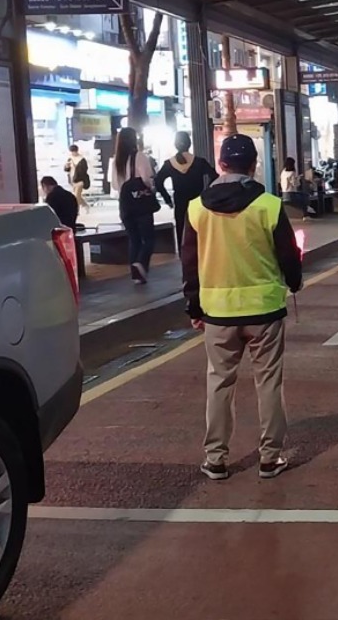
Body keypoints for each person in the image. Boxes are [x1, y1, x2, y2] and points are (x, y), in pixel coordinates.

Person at [181, 134, 303, 482]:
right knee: (268, 383)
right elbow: (288, 255)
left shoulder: (196, 208)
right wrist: (293, 283)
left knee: (219, 384)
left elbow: (188, 263)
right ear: (253, 166)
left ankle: (216, 459)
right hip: (264, 311)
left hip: (217, 312)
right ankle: (270, 458)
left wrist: (193, 307)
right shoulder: (269, 205)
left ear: (221, 165)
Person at [154, 131, 218, 253]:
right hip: (198, 202)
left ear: (175, 145)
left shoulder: (169, 164)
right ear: (189, 144)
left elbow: (158, 181)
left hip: (180, 202)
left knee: (181, 230)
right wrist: (206, 192)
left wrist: (168, 199)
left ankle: (184, 257)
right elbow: (214, 176)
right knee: (199, 230)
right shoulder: (200, 162)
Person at [109, 126, 157, 285]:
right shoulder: (140, 156)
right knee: (148, 239)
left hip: (125, 206)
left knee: (134, 239)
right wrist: (151, 187)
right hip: (141, 204)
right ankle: (141, 264)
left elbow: (115, 185)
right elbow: (147, 179)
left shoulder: (115, 160)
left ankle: (135, 275)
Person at [64, 144, 91, 213]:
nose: (73, 153)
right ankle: (85, 205)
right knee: (78, 196)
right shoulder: (70, 158)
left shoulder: (82, 159)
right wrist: (67, 166)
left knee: (76, 196)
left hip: (80, 180)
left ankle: (76, 211)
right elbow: (66, 169)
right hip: (72, 179)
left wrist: (75, 166)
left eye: (74, 151)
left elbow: (84, 170)